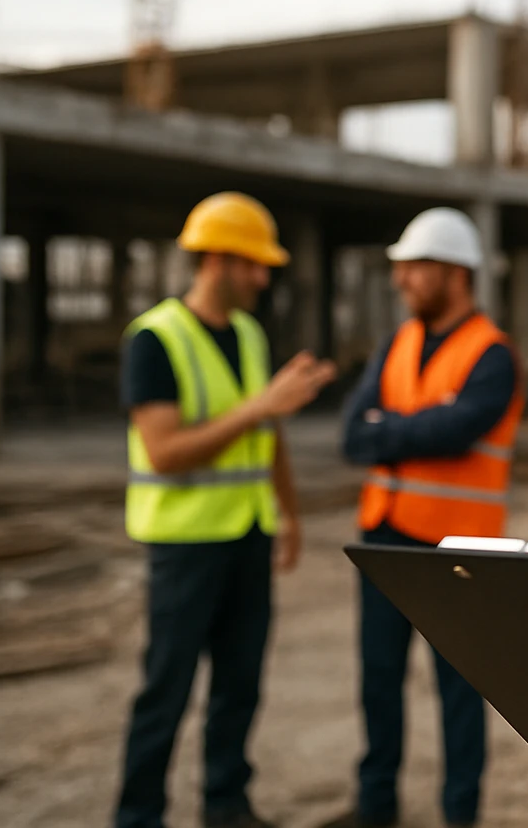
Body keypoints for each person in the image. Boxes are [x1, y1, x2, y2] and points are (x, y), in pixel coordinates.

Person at [115, 191, 338, 828]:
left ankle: (226, 805)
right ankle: (137, 816)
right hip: (184, 546)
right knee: (167, 690)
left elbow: (268, 436)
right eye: (252, 265)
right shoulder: (154, 341)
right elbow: (164, 452)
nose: (263, 279)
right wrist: (260, 407)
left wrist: (289, 514)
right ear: (215, 260)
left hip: (246, 534)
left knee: (239, 688)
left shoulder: (247, 334)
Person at [322, 207, 524, 828]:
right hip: (384, 537)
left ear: (455, 274)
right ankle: (375, 807)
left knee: (458, 696)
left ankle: (459, 817)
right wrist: (412, 428)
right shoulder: (397, 344)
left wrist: (395, 426)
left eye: (414, 268)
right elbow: (353, 436)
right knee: (378, 683)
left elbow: (459, 431)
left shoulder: (493, 356)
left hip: (458, 551)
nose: (400, 280)